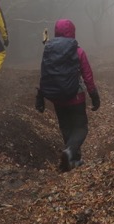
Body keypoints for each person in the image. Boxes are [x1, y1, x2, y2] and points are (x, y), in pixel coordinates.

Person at [35, 18, 100, 171]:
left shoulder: (49, 50)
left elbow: (45, 73)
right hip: (75, 96)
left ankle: (74, 161)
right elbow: (87, 75)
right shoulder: (78, 51)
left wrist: (40, 96)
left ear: (56, 32)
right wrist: (94, 95)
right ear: (73, 32)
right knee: (81, 128)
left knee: (66, 127)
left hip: (57, 98)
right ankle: (70, 151)